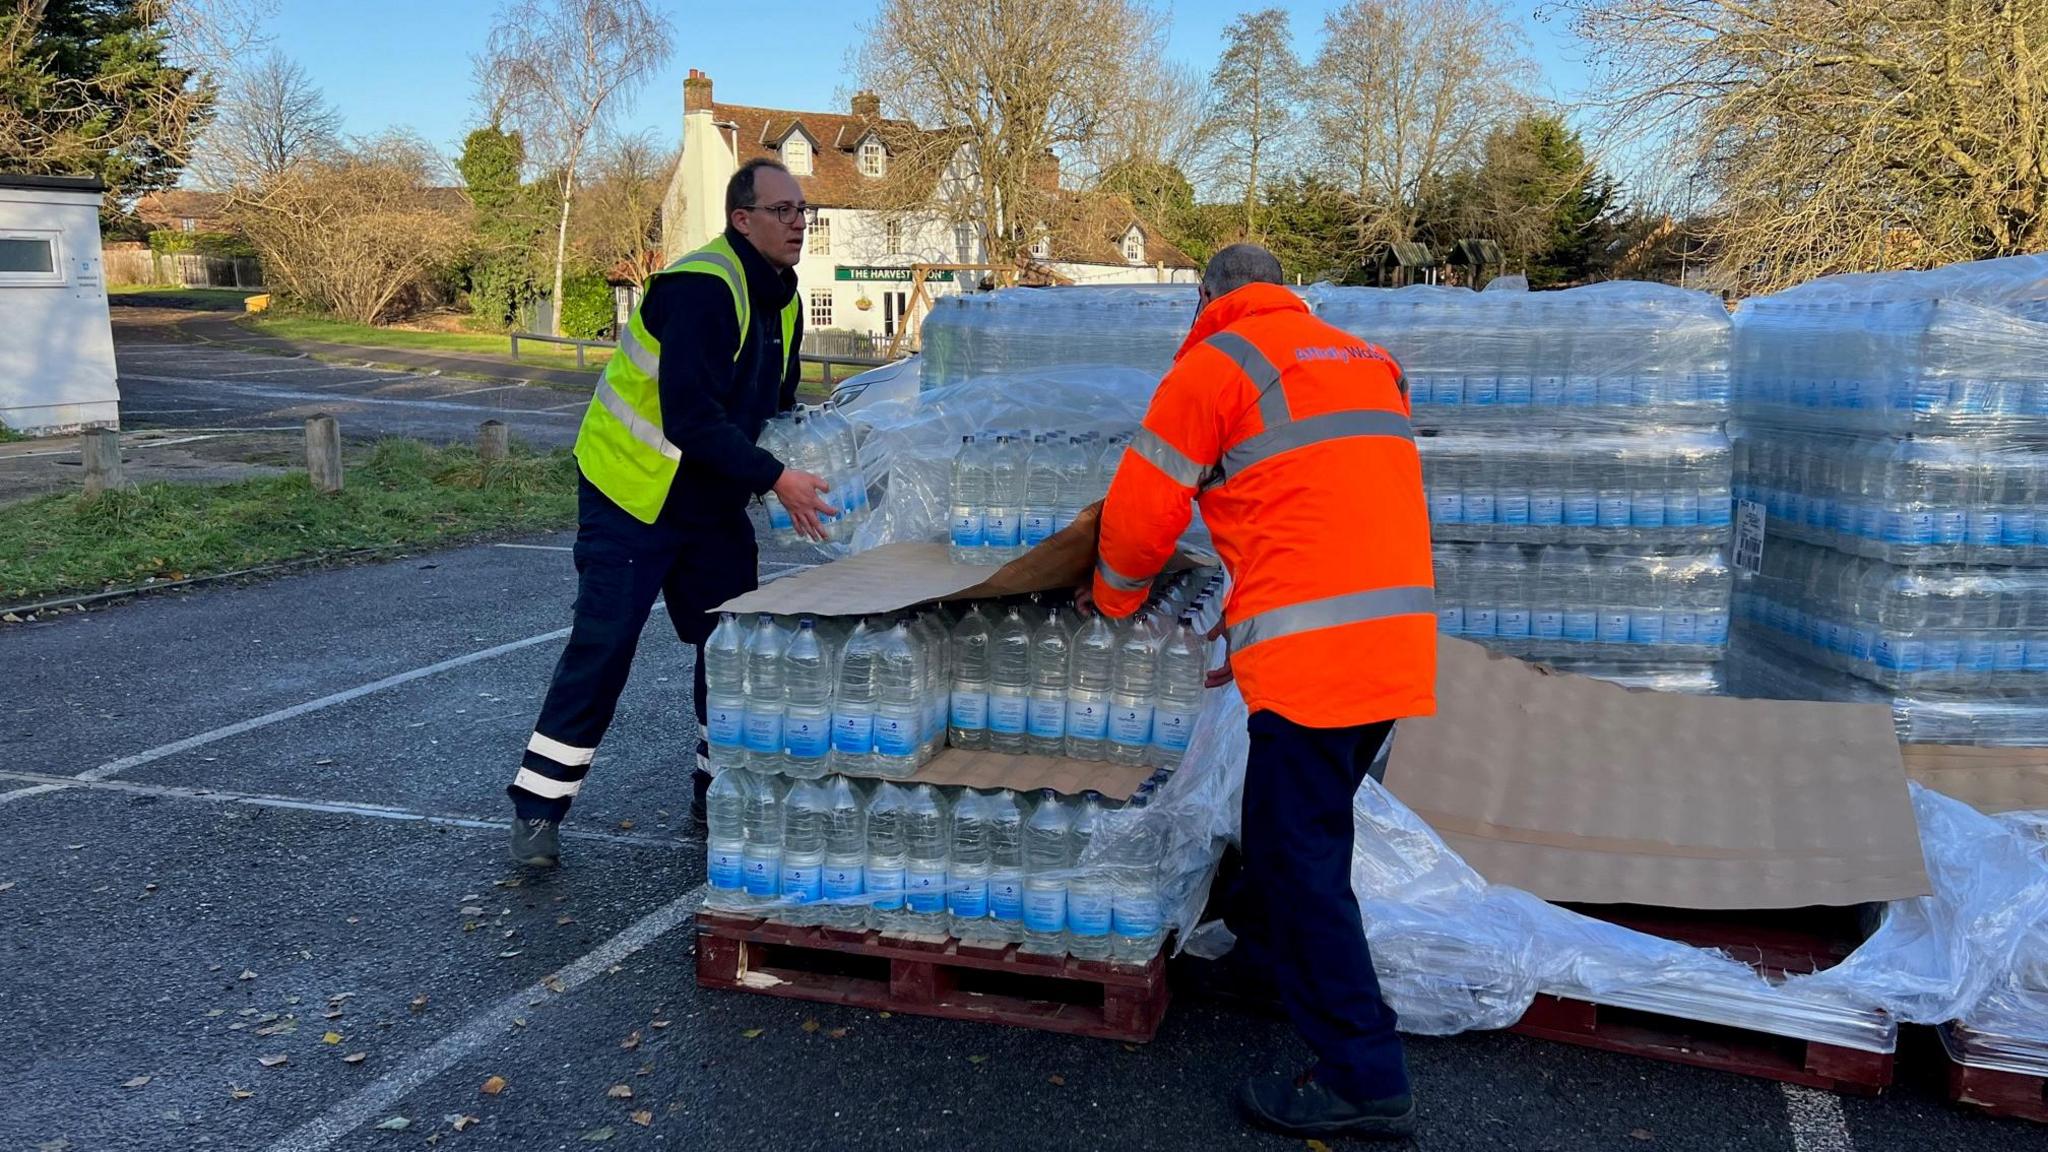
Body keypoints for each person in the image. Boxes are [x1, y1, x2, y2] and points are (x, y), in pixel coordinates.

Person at [1084, 244, 1437, 1140]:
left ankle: (1362, 1071)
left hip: (1315, 656)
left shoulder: (1217, 365)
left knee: (1299, 855)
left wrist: (1114, 601)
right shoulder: (1364, 357)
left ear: (1206, 296)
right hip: (1393, 640)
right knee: (1291, 820)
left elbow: (1142, 512)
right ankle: (1264, 953)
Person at [506, 158, 835, 867]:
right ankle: (539, 808)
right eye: (783, 210)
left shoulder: (784, 297)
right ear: (741, 219)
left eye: (804, 210)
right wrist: (778, 478)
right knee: (605, 646)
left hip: (710, 502)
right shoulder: (699, 288)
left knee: (729, 646)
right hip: (634, 493)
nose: (798, 223)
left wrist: (813, 458)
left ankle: (715, 795)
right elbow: (689, 417)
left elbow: (772, 412)